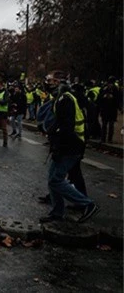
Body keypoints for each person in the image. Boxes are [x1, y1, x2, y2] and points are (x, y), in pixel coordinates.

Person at [39, 71, 99, 223]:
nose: (48, 83)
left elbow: (66, 126)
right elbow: (59, 122)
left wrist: (58, 146)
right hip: (68, 144)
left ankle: (87, 204)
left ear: (59, 82)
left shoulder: (65, 99)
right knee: (52, 179)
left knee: (56, 180)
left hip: (71, 146)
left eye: (51, 81)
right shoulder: (61, 97)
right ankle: (57, 212)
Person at [97, 77, 122, 144]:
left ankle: (103, 139)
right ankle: (109, 139)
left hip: (105, 109)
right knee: (110, 125)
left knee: (105, 124)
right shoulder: (116, 89)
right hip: (112, 109)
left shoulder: (104, 88)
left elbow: (99, 98)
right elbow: (118, 99)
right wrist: (119, 108)